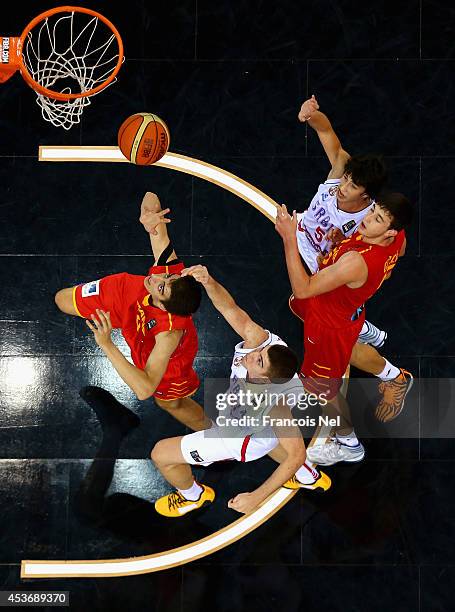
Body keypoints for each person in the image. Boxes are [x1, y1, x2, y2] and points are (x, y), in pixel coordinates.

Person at [151, 265, 331, 518]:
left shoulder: (275, 406)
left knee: (161, 454)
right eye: (260, 353)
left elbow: (296, 452)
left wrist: (256, 497)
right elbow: (229, 308)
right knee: (270, 438)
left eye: (259, 361)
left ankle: (192, 496)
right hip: (255, 425)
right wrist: (209, 281)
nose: (252, 354)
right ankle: (308, 476)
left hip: (238, 440)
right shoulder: (260, 343)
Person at [296, 95, 413, 421]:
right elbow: (328, 133)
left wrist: (289, 239)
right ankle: (363, 328)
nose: (342, 187)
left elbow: (312, 285)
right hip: (324, 260)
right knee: (312, 308)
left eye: (351, 186)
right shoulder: (346, 178)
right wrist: (312, 115)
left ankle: (345, 439)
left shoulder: (365, 228)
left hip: (328, 272)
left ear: (367, 196)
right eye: (345, 179)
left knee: (326, 352)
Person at [275, 191, 413, 465]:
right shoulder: (397, 238)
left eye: (378, 220)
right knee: (349, 347)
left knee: (321, 388)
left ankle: (349, 444)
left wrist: (290, 238)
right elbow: (398, 252)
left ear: (388, 233)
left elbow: (303, 289)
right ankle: (395, 376)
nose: (368, 219)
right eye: (373, 211)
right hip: (347, 310)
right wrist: (340, 245)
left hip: (328, 325)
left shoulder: (356, 263)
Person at [54, 193, 210, 433]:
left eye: (160, 286)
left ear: (163, 306)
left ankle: (215, 437)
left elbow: (144, 389)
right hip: (127, 298)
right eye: (166, 277)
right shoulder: (171, 276)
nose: (155, 276)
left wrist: (106, 344)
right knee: (62, 299)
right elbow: (152, 197)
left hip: (164, 364)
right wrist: (150, 216)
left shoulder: (168, 335)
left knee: (168, 402)